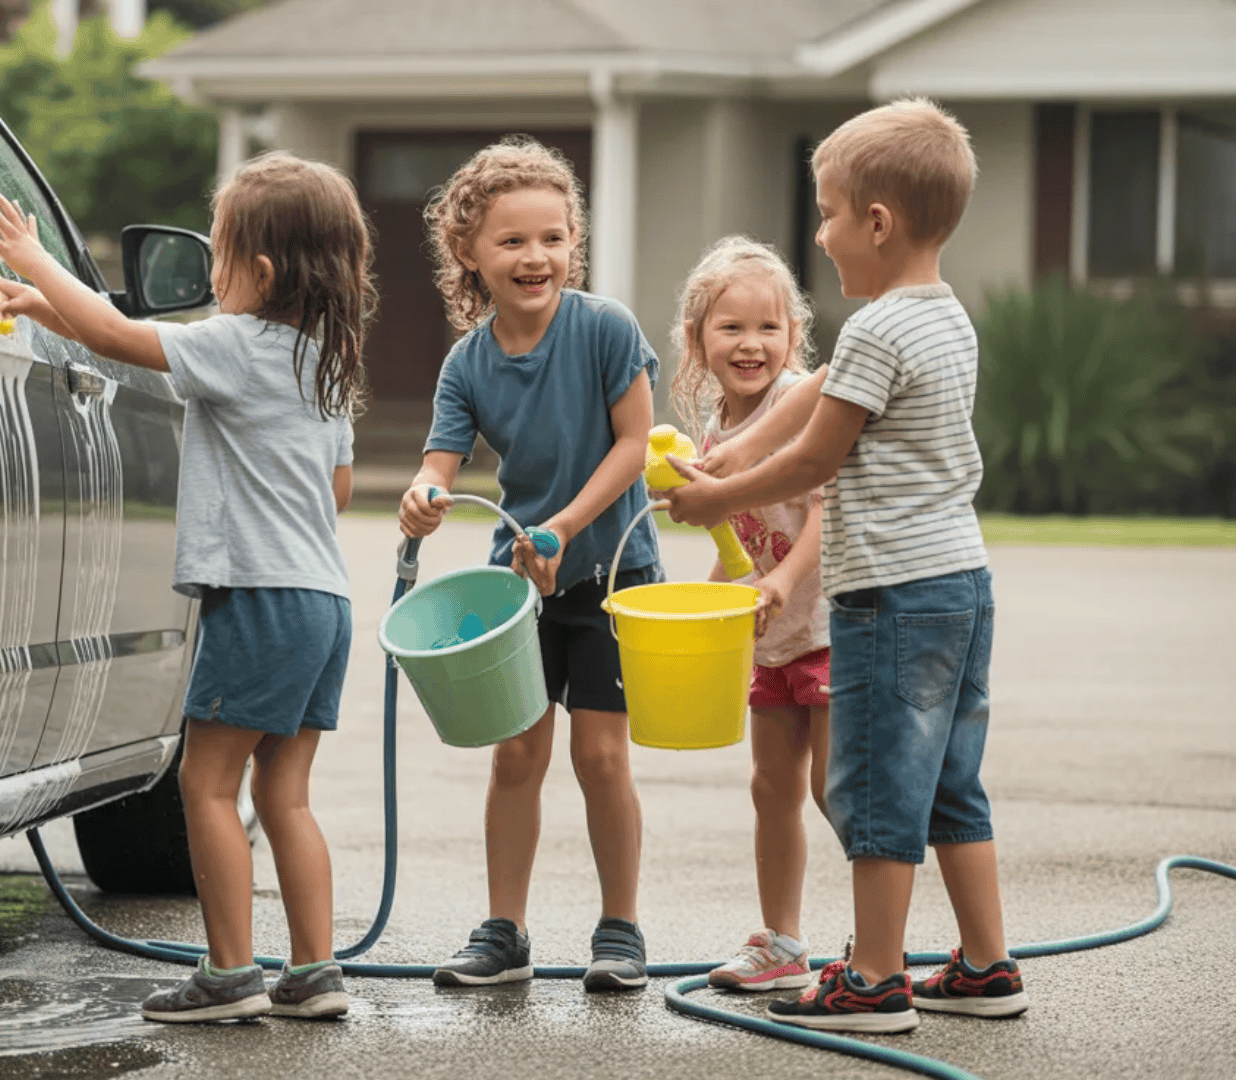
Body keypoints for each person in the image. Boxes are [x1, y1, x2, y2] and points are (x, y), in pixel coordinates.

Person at [0, 151, 373, 1023]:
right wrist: (45, 307)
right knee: (286, 795)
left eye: (217, 254)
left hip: (258, 598)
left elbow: (117, 337)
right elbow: (337, 491)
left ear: (258, 271)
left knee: (206, 783)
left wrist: (35, 264)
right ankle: (315, 972)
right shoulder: (325, 365)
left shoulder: (235, 345)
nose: (210, 274)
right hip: (323, 602)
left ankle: (230, 974)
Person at [665, 99, 1028, 1032]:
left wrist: (716, 495)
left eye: (826, 215)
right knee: (949, 782)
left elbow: (817, 458)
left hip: (889, 595)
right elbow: (813, 397)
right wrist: (733, 455)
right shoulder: (942, 317)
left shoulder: (872, 328)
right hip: (961, 584)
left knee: (870, 788)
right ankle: (987, 966)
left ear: (876, 222)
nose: (820, 235)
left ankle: (872, 981)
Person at [397, 136, 661, 993]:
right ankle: (504, 934)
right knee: (516, 756)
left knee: (602, 757)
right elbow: (439, 464)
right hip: (520, 587)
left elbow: (634, 445)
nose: (535, 256)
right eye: (511, 241)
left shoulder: (605, 328)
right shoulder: (467, 363)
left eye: (552, 237)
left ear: (573, 242)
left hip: (611, 576)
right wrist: (423, 496)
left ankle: (619, 930)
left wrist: (564, 527)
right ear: (468, 252)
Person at [667, 237, 832, 993]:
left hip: (825, 627)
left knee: (837, 788)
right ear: (697, 338)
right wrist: (703, 610)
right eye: (731, 327)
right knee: (772, 789)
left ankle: (881, 939)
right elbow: (737, 546)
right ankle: (784, 944)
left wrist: (783, 582)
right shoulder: (713, 436)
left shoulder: (799, 405)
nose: (751, 344)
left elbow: (826, 512)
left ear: (794, 335)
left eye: (769, 327)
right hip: (771, 639)